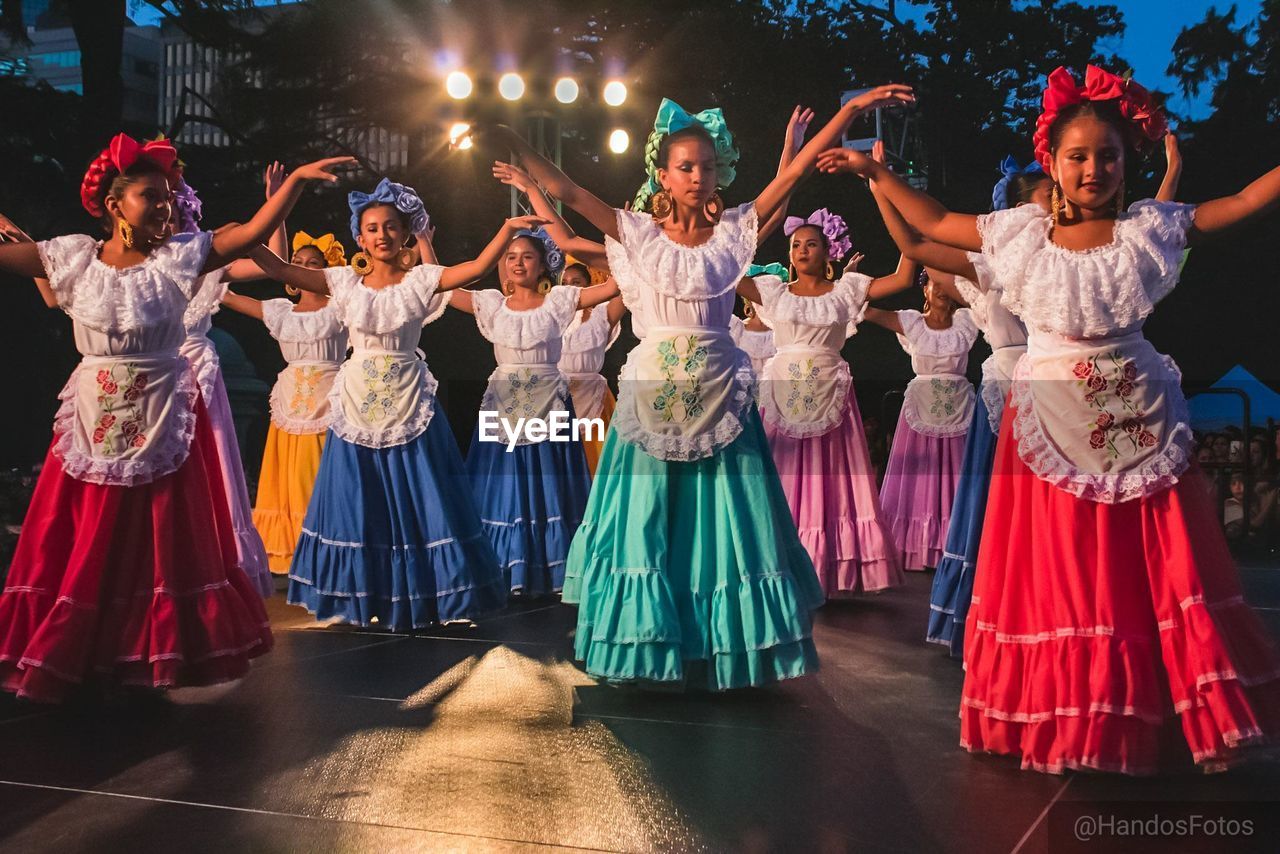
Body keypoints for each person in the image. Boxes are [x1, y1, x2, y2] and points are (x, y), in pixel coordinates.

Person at [818, 64, 1280, 772]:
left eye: (1107, 154)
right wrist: (873, 175)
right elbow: (934, 223)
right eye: (1078, 156)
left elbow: (1244, 200)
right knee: (1062, 571)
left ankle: (1159, 707)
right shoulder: (1022, 237)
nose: (1093, 167)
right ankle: (1070, 710)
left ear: (1129, 162)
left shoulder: (1148, 232)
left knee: (1149, 567)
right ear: (1053, 165)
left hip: (1135, 414)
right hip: (1049, 423)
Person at [486, 85, 916, 689]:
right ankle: (646, 642)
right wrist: (518, 144)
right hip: (653, 391)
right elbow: (571, 192)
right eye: (685, 166)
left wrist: (847, 112)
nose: (698, 176)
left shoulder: (736, 231)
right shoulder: (636, 234)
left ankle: (723, 645)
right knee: (648, 519)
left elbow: (792, 173)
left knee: (726, 523)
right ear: (663, 174)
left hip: (720, 387)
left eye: (708, 167)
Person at [0, 134, 352, 701]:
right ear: (115, 205)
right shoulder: (74, 259)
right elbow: (15, 259)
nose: (164, 206)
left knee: (160, 538)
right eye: (150, 196)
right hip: (95, 413)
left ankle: (151, 647)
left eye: (168, 197)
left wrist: (293, 184)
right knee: (89, 534)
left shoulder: (178, 259)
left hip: (161, 410)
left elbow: (248, 235)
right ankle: (85, 646)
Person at [253, 178, 545, 629]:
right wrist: (273, 207)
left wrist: (506, 231)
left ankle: (424, 594)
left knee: (422, 497)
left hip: (409, 398)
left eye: (390, 226)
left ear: (405, 232)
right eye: (372, 228)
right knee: (358, 500)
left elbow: (474, 269)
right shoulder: (343, 282)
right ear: (360, 237)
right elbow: (276, 269)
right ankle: (363, 592)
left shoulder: (419, 280)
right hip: (355, 401)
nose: (382, 235)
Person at [738, 209, 916, 595]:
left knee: (829, 480)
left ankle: (824, 567)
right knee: (778, 476)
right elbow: (727, 274)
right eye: (796, 245)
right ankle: (775, 564)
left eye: (811, 244)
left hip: (829, 394)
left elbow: (903, 279)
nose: (802, 250)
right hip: (782, 394)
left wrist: (906, 225)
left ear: (828, 252)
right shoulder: (773, 291)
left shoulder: (845, 292)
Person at [221, 230, 350, 578]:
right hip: (291, 404)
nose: (303, 269)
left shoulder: (342, 307)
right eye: (298, 264)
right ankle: (295, 555)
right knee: (289, 478)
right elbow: (228, 297)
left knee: (318, 476)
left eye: (313, 264)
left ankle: (327, 552)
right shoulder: (282, 311)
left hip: (328, 403)